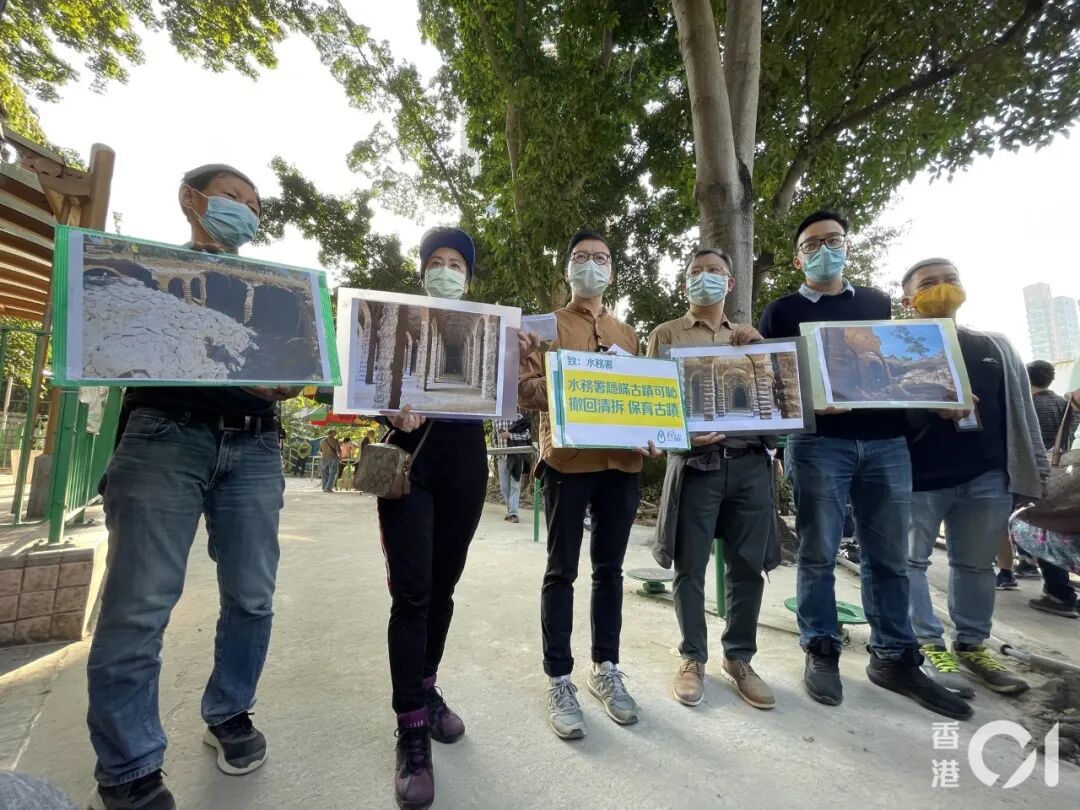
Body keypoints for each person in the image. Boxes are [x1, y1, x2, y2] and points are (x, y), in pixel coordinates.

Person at [87, 164, 296, 810]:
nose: (245, 213)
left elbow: (294, 371)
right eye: (234, 198)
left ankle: (230, 711)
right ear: (191, 200)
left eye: (254, 206)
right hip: (163, 438)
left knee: (253, 598)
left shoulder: (275, 293)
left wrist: (287, 382)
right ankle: (128, 769)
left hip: (255, 443)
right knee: (138, 606)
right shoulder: (138, 273)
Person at [758, 210, 969, 720]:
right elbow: (774, 383)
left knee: (888, 556)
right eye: (813, 244)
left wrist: (941, 394)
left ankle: (895, 657)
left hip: (886, 443)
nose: (825, 248)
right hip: (818, 445)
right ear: (798, 257)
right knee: (817, 552)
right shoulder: (780, 311)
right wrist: (812, 403)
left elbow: (894, 370)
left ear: (847, 246)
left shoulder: (874, 302)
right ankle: (821, 648)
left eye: (834, 240)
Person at [377, 226, 503, 810]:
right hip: (410, 462)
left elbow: (514, 394)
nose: (447, 269)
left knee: (445, 589)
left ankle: (426, 688)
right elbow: (367, 385)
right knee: (413, 593)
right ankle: (409, 729)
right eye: (437, 261)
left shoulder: (489, 333)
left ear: (469, 278)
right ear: (423, 270)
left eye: (457, 263)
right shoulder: (396, 322)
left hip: (465, 463)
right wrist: (387, 408)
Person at [518, 229, 661, 740]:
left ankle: (606, 669)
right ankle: (559, 677)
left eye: (601, 258)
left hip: (622, 466)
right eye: (581, 258)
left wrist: (654, 434)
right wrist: (565, 375)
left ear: (612, 271)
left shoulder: (628, 332)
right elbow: (522, 394)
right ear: (568, 269)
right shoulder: (543, 326)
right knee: (561, 571)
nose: (591, 266)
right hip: (567, 462)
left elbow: (642, 397)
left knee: (610, 571)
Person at [902, 258, 1042, 699]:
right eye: (928, 284)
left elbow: (1021, 414)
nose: (941, 289)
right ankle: (928, 645)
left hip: (985, 478)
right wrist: (928, 405)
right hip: (918, 478)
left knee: (975, 566)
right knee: (909, 564)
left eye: (950, 280)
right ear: (909, 299)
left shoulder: (994, 346)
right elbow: (882, 414)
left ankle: (972, 645)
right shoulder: (895, 347)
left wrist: (1030, 470)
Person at [648, 248, 779, 710]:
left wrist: (762, 353)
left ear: (732, 282)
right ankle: (692, 658)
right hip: (696, 465)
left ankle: (739, 657)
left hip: (749, 464)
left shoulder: (748, 337)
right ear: (685, 283)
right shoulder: (665, 335)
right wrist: (682, 436)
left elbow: (777, 399)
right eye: (696, 272)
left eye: (715, 271)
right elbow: (653, 408)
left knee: (748, 566)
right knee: (690, 565)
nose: (705, 278)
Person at [1025, 360, 1080, 617]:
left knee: (1044, 528)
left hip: (1043, 475)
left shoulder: (1028, 404)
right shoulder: (1062, 402)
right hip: (1070, 474)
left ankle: (1059, 592)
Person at [492, 414, 532, 523]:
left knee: (515, 485)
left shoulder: (518, 417)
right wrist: (496, 454)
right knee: (504, 487)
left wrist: (510, 435)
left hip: (516, 457)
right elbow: (494, 438)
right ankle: (510, 511)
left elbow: (527, 435)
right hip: (502, 457)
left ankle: (513, 513)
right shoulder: (496, 419)